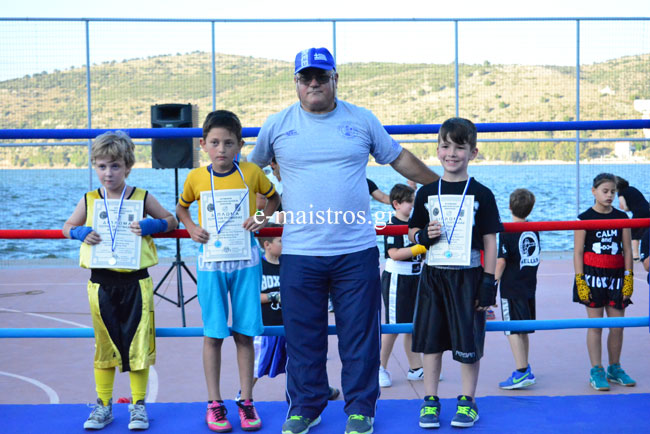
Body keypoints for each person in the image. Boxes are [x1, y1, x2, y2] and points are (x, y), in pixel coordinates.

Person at [248, 47, 438, 434]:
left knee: (360, 337)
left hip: (355, 252)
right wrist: (260, 213)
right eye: (306, 77)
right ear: (296, 82)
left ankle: (360, 409)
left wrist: (445, 186)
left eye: (321, 76)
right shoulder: (276, 124)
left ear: (336, 79)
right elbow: (252, 176)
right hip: (300, 253)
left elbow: (398, 158)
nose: (313, 83)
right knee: (303, 338)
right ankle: (306, 406)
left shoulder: (362, 119)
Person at [63, 131, 178, 430]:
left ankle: (138, 406)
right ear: (94, 167)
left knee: (139, 345)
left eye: (115, 166)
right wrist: (78, 232)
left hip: (136, 282)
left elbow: (172, 220)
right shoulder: (90, 199)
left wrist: (153, 225)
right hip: (101, 282)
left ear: (127, 166)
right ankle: (103, 405)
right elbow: (67, 225)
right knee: (104, 346)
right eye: (102, 166)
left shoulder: (141, 197)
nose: (108, 173)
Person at [176, 110, 280, 432]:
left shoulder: (251, 172)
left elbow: (274, 199)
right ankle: (214, 402)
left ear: (240, 145)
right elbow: (181, 207)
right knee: (213, 334)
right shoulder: (195, 178)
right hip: (211, 264)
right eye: (215, 142)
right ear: (203, 144)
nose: (221, 149)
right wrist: (191, 227)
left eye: (229, 143)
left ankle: (246, 401)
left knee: (245, 334)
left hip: (246, 262)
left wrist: (260, 219)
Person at [408, 117, 503, 429]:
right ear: (437, 150)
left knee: (468, 342)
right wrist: (422, 237)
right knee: (430, 341)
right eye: (445, 146)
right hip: (433, 275)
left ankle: (467, 400)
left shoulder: (482, 193)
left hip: (469, 275)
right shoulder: (426, 192)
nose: (451, 153)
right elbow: (412, 230)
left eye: (459, 147)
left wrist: (488, 281)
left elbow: (490, 239)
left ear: (472, 152)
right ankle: (430, 400)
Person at [252, 223, 340, 400]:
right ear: (267, 244)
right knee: (257, 364)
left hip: (291, 323)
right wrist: (274, 297)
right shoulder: (258, 267)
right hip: (267, 325)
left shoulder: (290, 264)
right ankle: (244, 394)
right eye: (280, 241)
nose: (285, 243)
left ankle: (316, 388)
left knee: (300, 359)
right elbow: (250, 296)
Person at [574, 173, 635, 391]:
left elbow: (628, 250)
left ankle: (614, 367)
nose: (609, 195)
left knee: (617, 326)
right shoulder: (584, 218)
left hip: (616, 276)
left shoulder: (622, 217)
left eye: (613, 192)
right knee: (596, 325)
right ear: (594, 191)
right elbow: (578, 252)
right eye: (605, 191)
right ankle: (596, 369)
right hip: (592, 276)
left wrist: (629, 278)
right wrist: (580, 281)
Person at [378, 183, 425, 388]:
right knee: (393, 326)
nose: (413, 206)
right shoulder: (392, 224)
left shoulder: (416, 223)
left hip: (416, 276)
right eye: (409, 202)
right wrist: (421, 247)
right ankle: (379, 367)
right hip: (397, 278)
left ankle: (416, 367)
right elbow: (394, 253)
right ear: (397, 204)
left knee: (413, 324)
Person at [494, 188, 540, 389]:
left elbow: (501, 261)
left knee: (512, 329)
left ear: (509, 206)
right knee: (523, 329)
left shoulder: (507, 231)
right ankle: (525, 367)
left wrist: (492, 283)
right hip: (529, 285)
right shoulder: (534, 229)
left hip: (511, 288)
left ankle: (521, 371)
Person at [615, 176, 649, 261]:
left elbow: (625, 207)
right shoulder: (632, 188)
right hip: (648, 210)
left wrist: (625, 208)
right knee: (647, 232)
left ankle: (636, 255)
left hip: (638, 213)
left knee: (634, 235)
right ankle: (646, 254)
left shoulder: (620, 193)